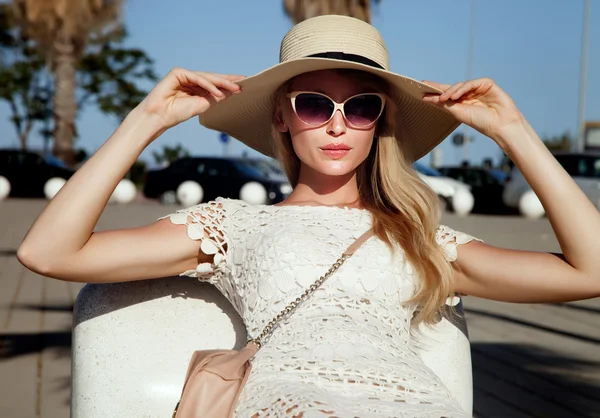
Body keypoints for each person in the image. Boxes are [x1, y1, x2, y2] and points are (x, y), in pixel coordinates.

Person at [16, 15, 600, 418]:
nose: (338, 124)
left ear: (380, 124)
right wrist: (146, 119)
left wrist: (514, 132)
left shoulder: (422, 239)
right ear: (282, 118)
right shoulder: (233, 226)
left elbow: (589, 270)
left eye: (362, 107)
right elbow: (48, 252)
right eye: (316, 104)